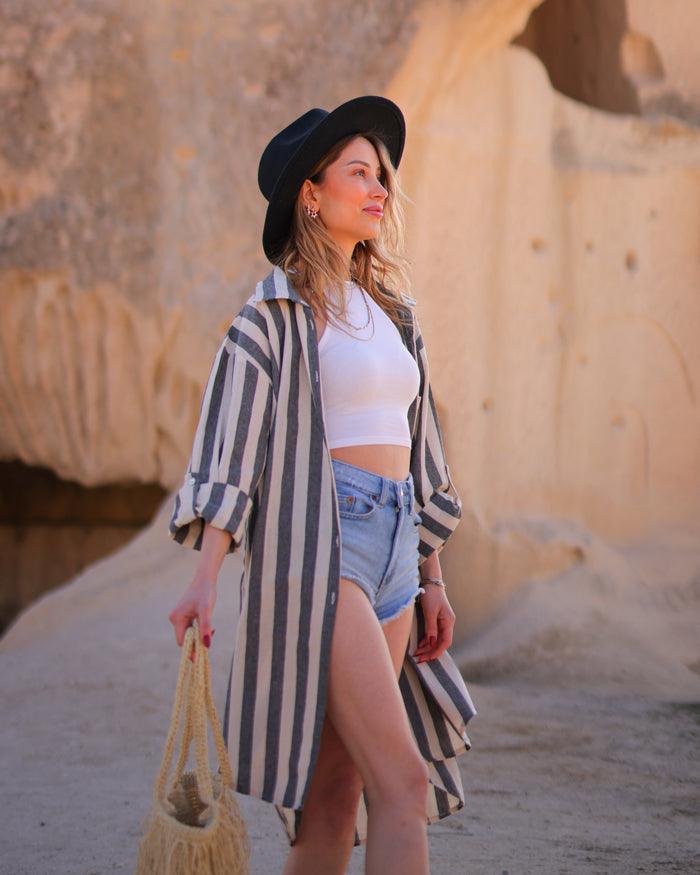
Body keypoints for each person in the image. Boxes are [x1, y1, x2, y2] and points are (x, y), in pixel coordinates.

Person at [167, 95, 477, 875]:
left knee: (335, 796)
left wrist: (432, 574)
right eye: (360, 172)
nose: (381, 189)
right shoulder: (272, 315)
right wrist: (204, 578)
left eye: (384, 176)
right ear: (312, 193)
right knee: (401, 785)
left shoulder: (395, 318)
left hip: (398, 553)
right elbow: (232, 448)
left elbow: (421, 449)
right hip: (321, 545)